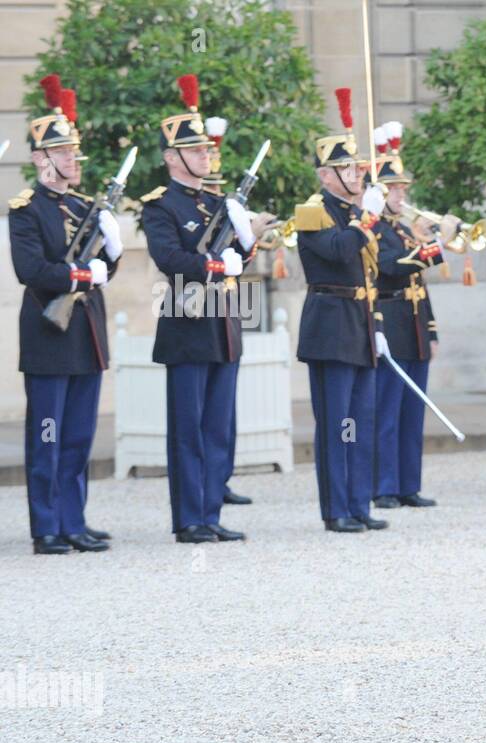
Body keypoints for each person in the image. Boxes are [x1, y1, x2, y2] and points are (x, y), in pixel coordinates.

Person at [141, 74, 271, 544]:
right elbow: (170, 259)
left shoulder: (220, 202)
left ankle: (211, 512)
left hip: (223, 324)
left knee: (218, 426)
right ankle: (189, 519)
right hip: (186, 320)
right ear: (173, 157)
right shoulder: (160, 207)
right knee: (188, 428)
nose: (206, 156)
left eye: (206, 150)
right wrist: (218, 262)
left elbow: (244, 253)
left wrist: (247, 236)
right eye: (196, 151)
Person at [10, 75, 117, 554]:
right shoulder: (26, 210)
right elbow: (30, 269)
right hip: (49, 332)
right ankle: (46, 527)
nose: (74, 160)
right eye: (65, 153)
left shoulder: (85, 206)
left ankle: (74, 521)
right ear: (40, 159)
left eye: (75, 153)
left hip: (85, 333)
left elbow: (104, 267)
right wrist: (82, 275)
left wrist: (111, 253)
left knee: (77, 436)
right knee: (48, 435)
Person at [293, 88, 391, 532]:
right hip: (331, 323)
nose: (358, 174)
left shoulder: (355, 210)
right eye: (348, 168)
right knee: (337, 422)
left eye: (358, 166)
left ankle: (359, 504)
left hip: (360, 321)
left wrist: (380, 323)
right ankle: (336, 510)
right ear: (326, 175)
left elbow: (373, 270)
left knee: (362, 419)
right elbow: (336, 250)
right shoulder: (313, 212)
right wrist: (366, 220)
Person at [371, 121, 455, 510]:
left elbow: (420, 281)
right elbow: (391, 267)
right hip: (390, 322)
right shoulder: (375, 230)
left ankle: (408, 484)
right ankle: (384, 485)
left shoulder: (404, 230)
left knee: (411, 411)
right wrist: (438, 245)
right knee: (386, 410)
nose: (403, 194)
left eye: (404, 188)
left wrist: (432, 330)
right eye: (395, 188)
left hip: (416, 327)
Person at [200, 114, 256, 506]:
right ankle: (205, 488)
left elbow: (240, 260)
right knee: (202, 412)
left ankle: (220, 478)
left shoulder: (224, 209)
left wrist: (250, 238)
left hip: (229, 308)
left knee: (224, 410)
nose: (216, 191)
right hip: (196, 306)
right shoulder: (196, 212)